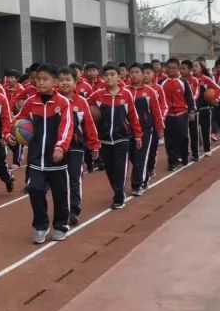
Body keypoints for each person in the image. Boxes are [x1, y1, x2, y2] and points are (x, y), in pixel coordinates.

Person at [10, 63, 73, 244]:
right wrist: (10, 133)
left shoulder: (63, 103)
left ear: (55, 82)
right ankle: (41, 226)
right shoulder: (31, 102)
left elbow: (66, 127)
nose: (40, 82)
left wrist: (60, 147)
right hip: (36, 158)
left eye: (45, 79)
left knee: (60, 195)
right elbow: (18, 120)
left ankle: (61, 226)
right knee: (34, 189)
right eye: (38, 79)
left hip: (57, 159)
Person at [90, 64, 142, 209]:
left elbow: (133, 116)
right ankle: (118, 190)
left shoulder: (126, 94)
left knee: (120, 167)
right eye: (106, 75)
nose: (109, 77)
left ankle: (119, 195)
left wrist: (137, 135)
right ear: (103, 77)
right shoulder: (97, 95)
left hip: (122, 137)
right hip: (104, 139)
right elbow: (87, 110)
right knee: (109, 168)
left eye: (112, 74)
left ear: (119, 77)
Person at [57, 66, 100, 224]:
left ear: (76, 83)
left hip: (76, 146)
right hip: (58, 147)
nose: (64, 83)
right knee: (61, 180)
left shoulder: (81, 102)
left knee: (75, 177)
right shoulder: (54, 100)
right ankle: (63, 209)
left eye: (68, 80)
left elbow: (89, 124)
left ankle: (74, 209)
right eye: (60, 80)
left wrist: (94, 144)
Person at [129, 64, 164, 195]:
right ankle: (143, 175)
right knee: (132, 156)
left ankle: (138, 184)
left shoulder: (149, 91)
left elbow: (156, 111)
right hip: (129, 130)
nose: (134, 75)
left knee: (140, 156)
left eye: (137, 72)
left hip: (145, 129)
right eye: (131, 72)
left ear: (142, 74)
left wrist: (160, 128)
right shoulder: (126, 91)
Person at [161, 58, 196, 171]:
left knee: (183, 137)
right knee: (169, 140)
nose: (171, 70)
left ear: (178, 69)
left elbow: (190, 98)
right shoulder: (162, 83)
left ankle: (184, 155)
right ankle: (172, 161)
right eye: (169, 68)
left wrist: (191, 111)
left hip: (182, 114)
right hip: (168, 116)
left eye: (174, 68)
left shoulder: (183, 82)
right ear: (166, 68)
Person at [190, 60, 220, 158]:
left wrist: (216, 99)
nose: (194, 68)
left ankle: (207, 149)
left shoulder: (206, 79)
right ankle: (195, 151)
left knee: (205, 129)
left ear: (201, 68)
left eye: (196, 66)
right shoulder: (189, 80)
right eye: (193, 66)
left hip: (205, 108)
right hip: (193, 110)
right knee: (193, 132)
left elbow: (219, 89)